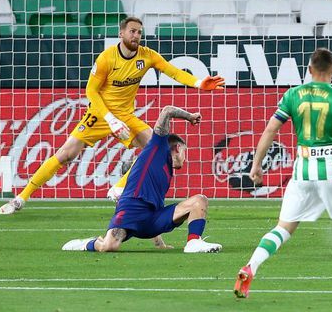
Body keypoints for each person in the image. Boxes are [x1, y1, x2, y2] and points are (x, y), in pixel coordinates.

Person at [0, 17, 224, 215]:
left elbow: (173, 72)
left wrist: (199, 83)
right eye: (132, 31)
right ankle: (21, 198)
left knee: (158, 146)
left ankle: (119, 187)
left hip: (126, 116)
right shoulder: (106, 58)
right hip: (99, 115)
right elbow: (91, 91)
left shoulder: (147, 56)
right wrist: (110, 119)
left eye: (139, 32)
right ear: (121, 33)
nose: (136, 35)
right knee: (65, 155)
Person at [234, 48, 332, 299]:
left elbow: (270, 130)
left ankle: (251, 266)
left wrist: (256, 164)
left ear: (309, 70)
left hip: (302, 170)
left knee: (284, 227)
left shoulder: (293, 94)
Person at [62, 105, 222, 253]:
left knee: (199, 200)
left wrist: (159, 243)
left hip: (153, 218)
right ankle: (87, 244)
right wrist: (190, 117)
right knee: (109, 246)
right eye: (185, 153)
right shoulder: (158, 147)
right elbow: (167, 111)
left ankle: (193, 242)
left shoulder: (166, 170)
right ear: (178, 148)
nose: (185, 159)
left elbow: (152, 204)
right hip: (131, 210)